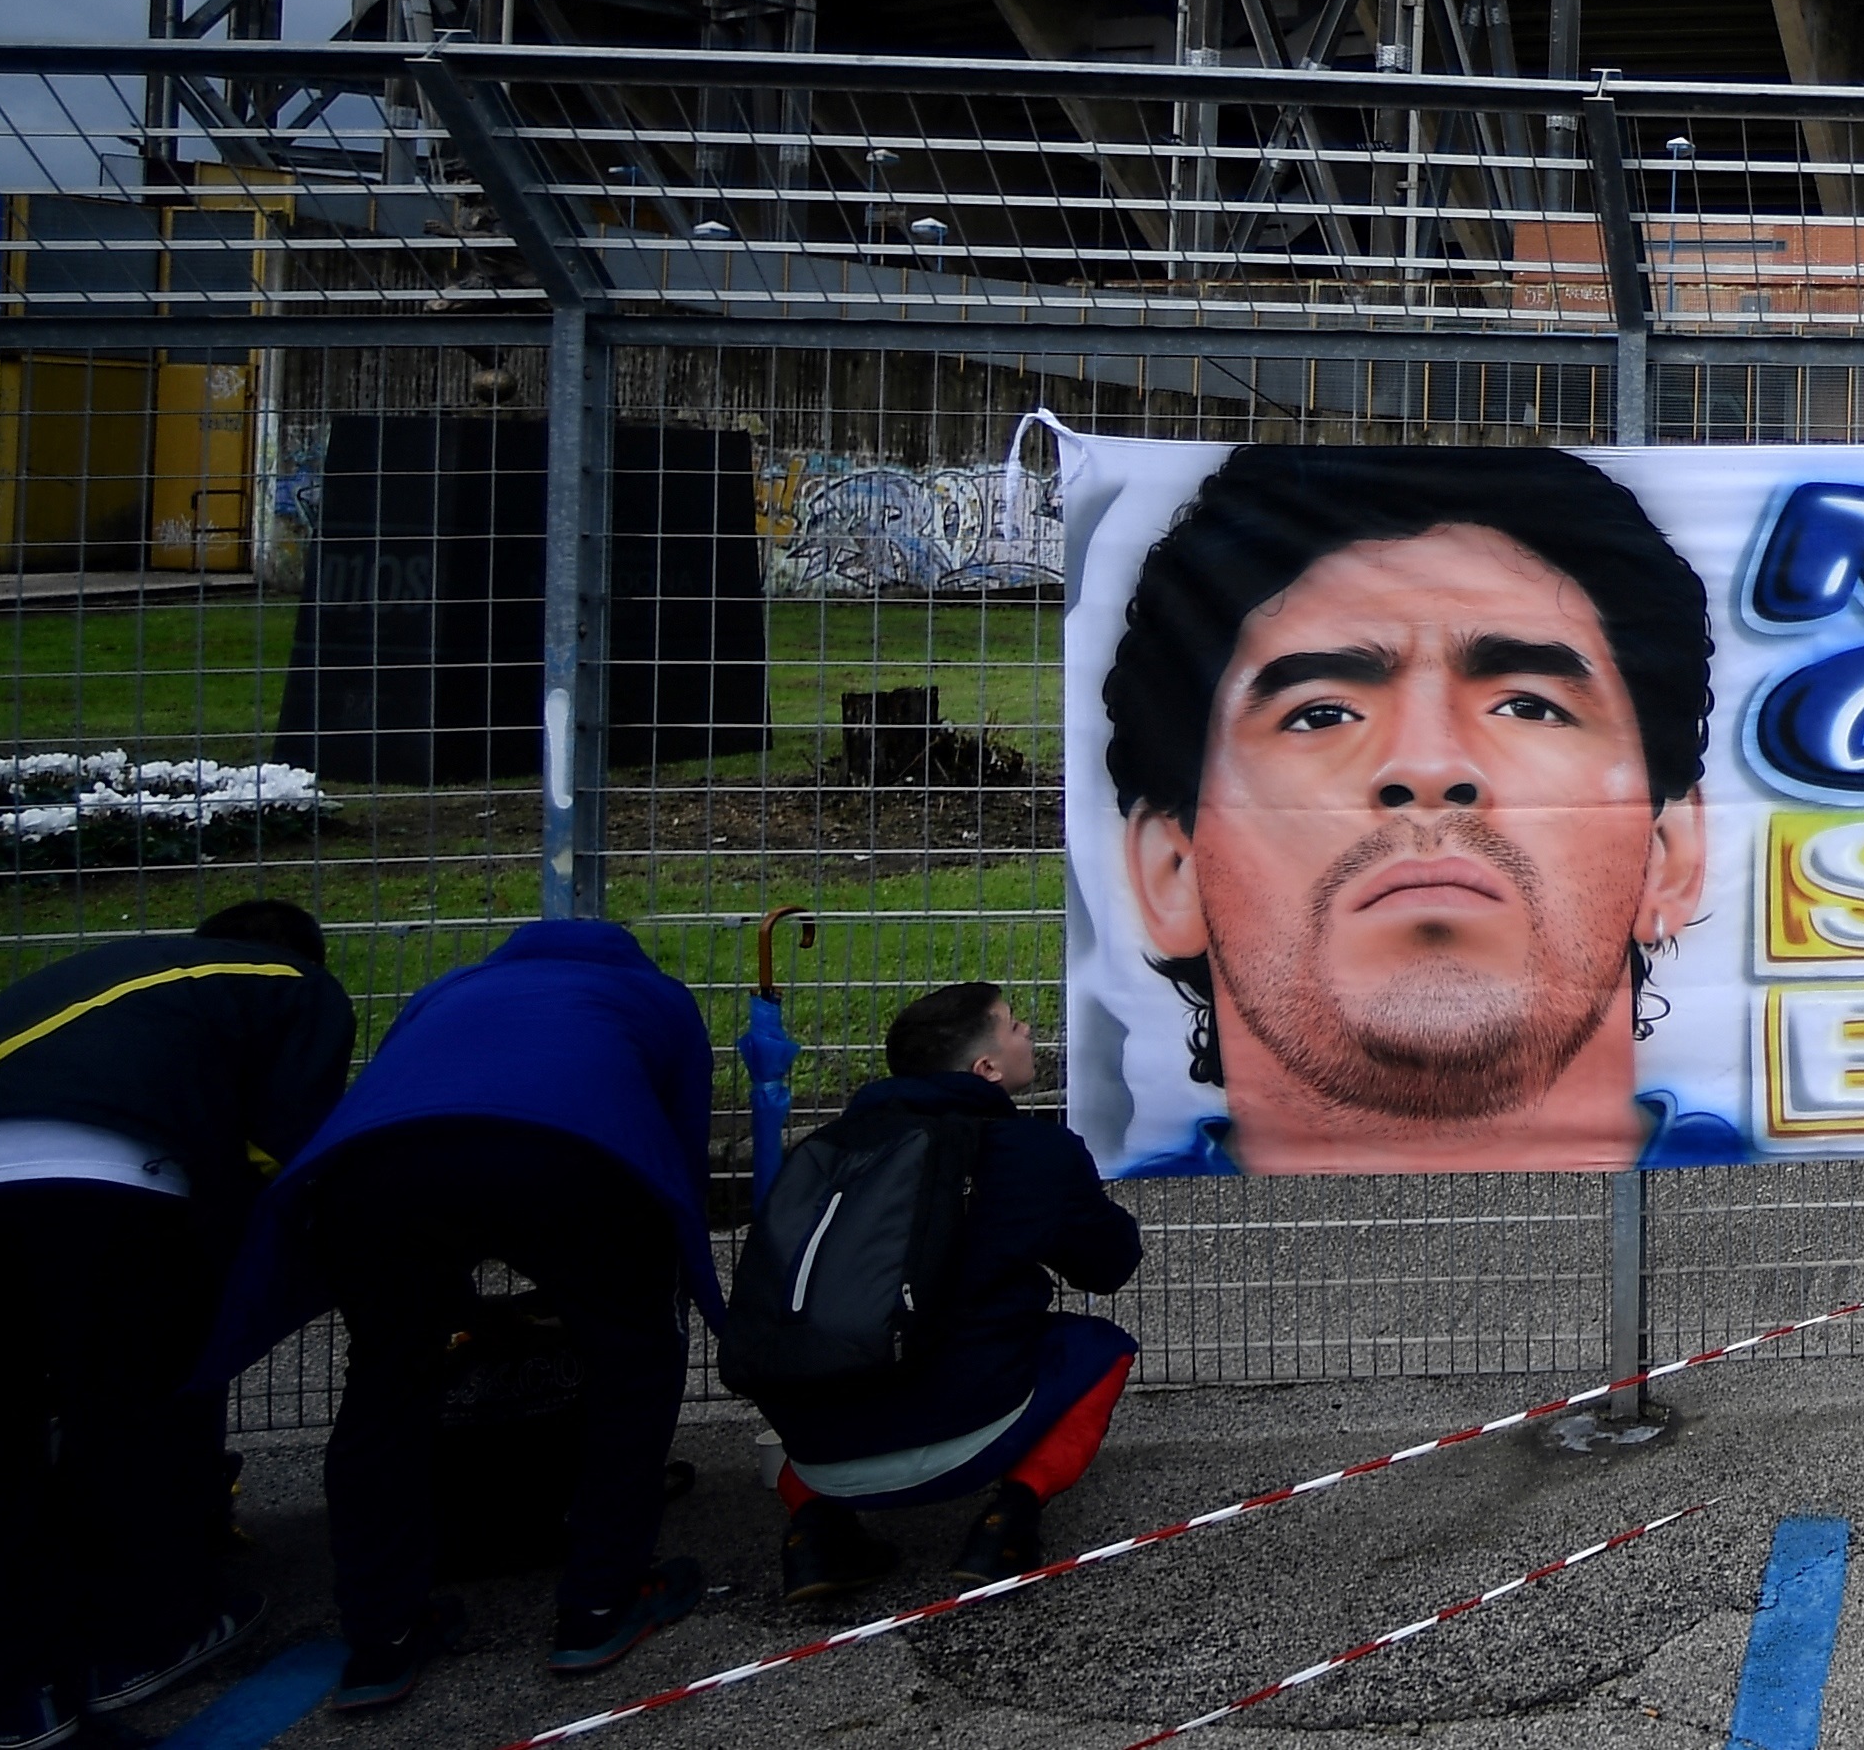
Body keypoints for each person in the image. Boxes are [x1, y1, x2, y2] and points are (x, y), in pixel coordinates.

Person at [1098, 444, 1737, 1175]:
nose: (1429, 767)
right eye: (1322, 713)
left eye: (1528, 705)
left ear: (1669, 852)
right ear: (1170, 868)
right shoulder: (1117, 1225)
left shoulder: (1757, 1216)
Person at [0, 899, 351, 1749]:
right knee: (136, 1412)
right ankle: (146, 1636)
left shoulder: (104, 977)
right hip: (98, 1184)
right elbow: (297, 1152)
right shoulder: (288, 981)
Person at [208, 917, 717, 1711]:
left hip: (377, 1165)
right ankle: (598, 1602)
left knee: (387, 1376)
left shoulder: (450, 987)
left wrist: (459, 1307)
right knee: (635, 1362)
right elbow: (674, 1149)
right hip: (572, 1152)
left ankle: (381, 1636)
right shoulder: (653, 994)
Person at [747, 981, 1146, 1598]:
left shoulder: (821, 1153)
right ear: (986, 1068)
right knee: (1100, 1346)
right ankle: (1007, 1519)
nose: (1028, 1035)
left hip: (808, 1448)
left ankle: (816, 1534)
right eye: (1014, 1025)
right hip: (961, 1439)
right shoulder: (1034, 1151)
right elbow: (1109, 1266)